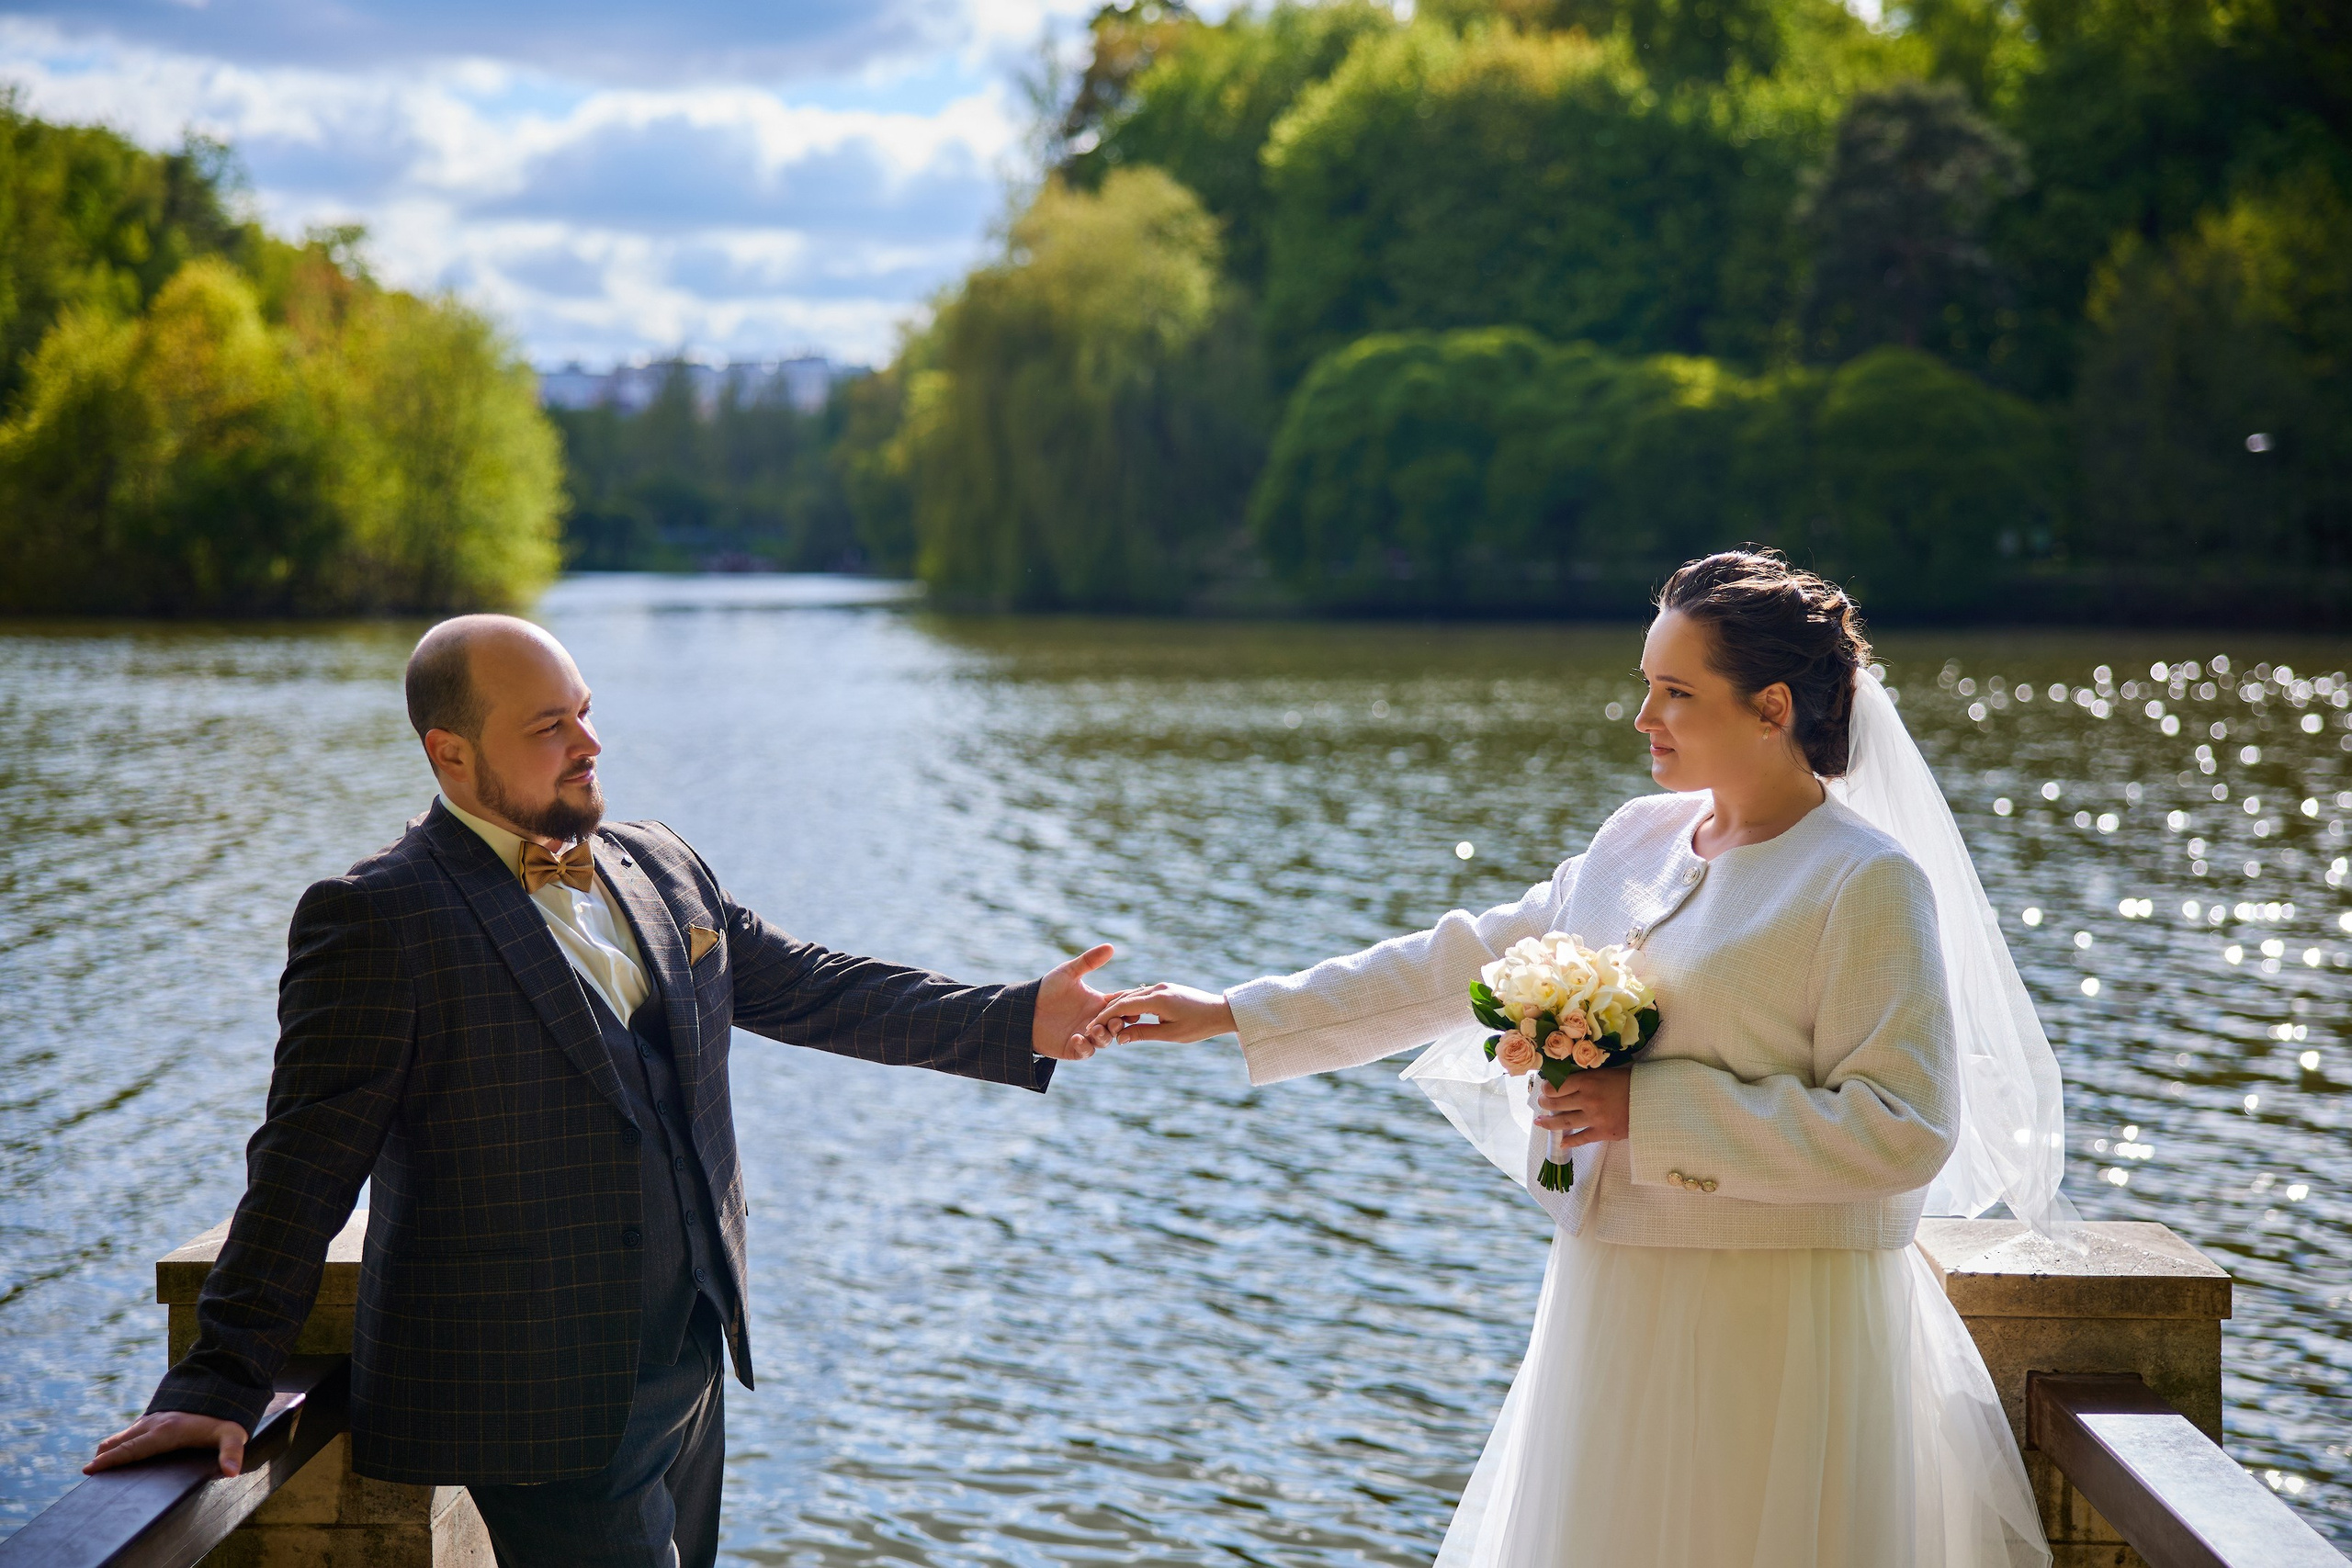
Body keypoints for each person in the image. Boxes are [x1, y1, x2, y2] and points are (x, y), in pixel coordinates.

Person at [1085, 549, 2067, 1568]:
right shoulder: (1635, 839)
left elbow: (1903, 1131)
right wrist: (1233, 1014)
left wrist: (1651, 1111)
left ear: (1771, 706)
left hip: (1770, 1325)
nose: (1643, 717)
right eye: (1646, 685)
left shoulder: (1863, 883)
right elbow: (1454, 961)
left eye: (1675, 693)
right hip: (1609, 1296)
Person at [85, 615, 1123, 1568]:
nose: (588, 744)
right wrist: (218, 1381)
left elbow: (808, 985)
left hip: (691, 1358)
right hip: (536, 1395)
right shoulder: (378, 920)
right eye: (549, 727)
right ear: (451, 753)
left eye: (584, 712)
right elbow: (303, 1167)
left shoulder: (658, 864)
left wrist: (1014, 1014)